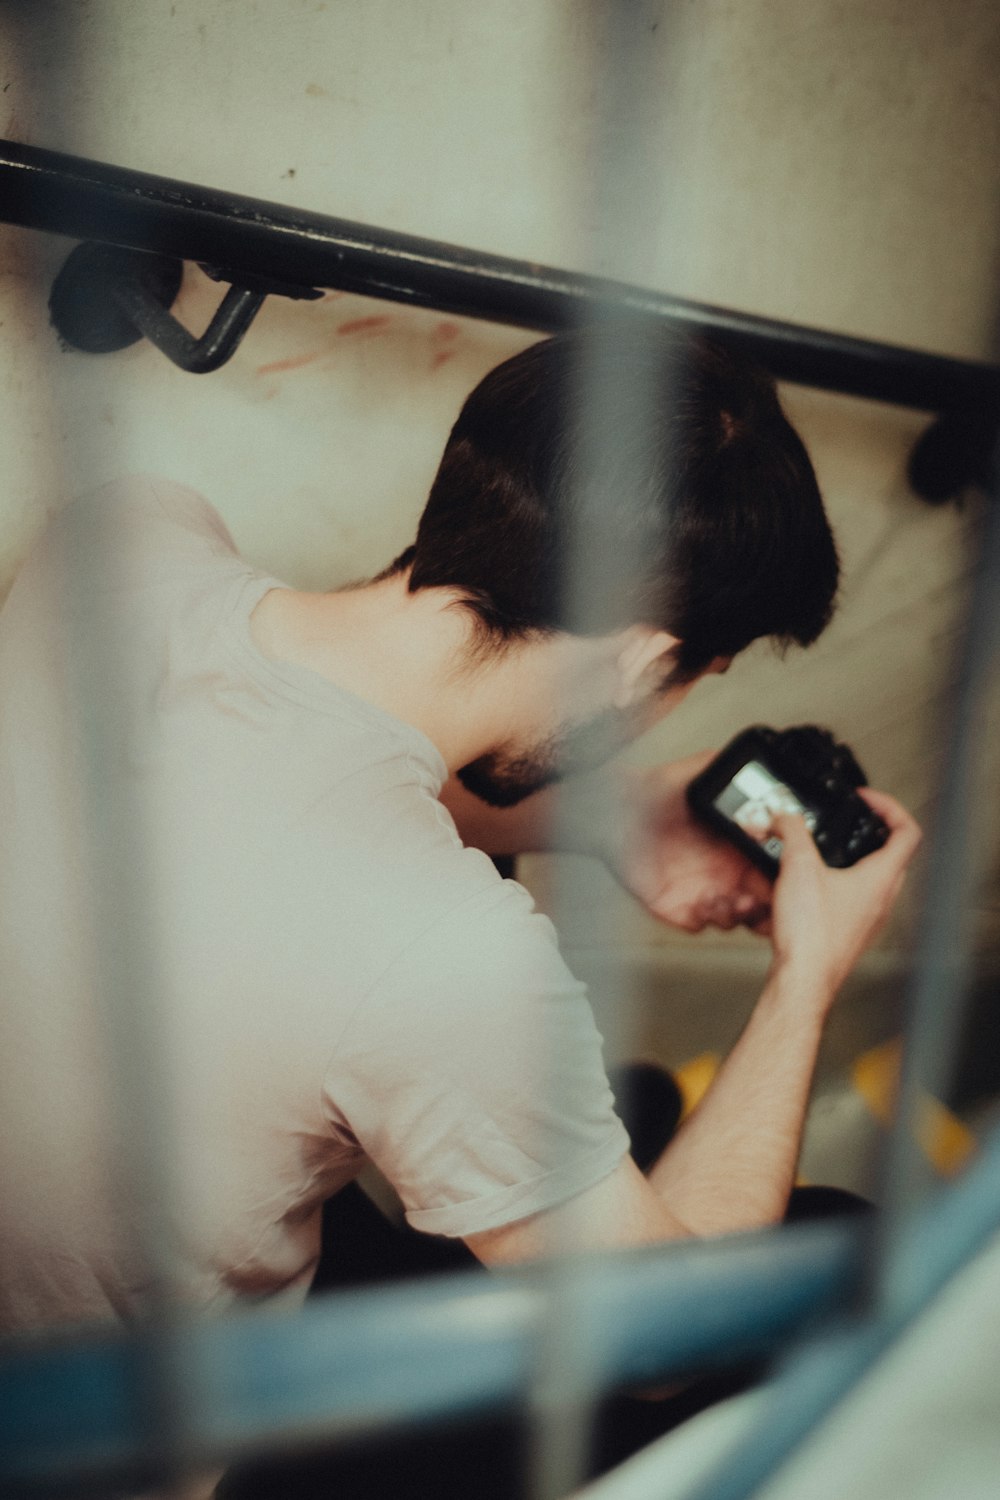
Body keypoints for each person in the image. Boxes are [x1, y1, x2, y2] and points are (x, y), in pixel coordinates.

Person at [0, 328, 919, 1488]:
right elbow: (661, 1349)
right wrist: (807, 974)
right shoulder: (442, 957)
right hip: (160, 1443)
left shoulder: (121, 536)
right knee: (830, 1241)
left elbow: (269, 787)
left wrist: (603, 811)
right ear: (641, 662)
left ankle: (561, 1158)